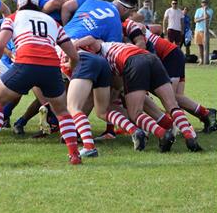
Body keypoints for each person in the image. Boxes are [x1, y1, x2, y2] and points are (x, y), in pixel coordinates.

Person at [0, 0, 82, 165]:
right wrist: (71, 68)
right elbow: (74, 56)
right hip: (51, 67)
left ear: (18, 3)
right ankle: (74, 154)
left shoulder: (13, 17)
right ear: (38, 4)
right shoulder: (52, 22)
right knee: (62, 111)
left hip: (26, 63)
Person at [75, 36, 203, 152]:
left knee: (135, 113)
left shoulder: (100, 48)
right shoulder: (115, 46)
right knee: (172, 105)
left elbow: (91, 39)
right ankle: (189, 136)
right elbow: (118, 86)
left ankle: (162, 134)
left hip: (133, 62)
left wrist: (74, 44)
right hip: (152, 58)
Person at [194, 0, 214, 65]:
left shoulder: (210, 10)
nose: (204, 4)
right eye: (203, 2)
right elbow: (195, 20)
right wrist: (202, 18)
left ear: (207, 4)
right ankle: (201, 60)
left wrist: (205, 10)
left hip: (205, 31)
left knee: (205, 46)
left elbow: (207, 16)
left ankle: (206, 60)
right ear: (201, 3)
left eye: (205, 3)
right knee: (200, 45)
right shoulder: (198, 10)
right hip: (198, 30)